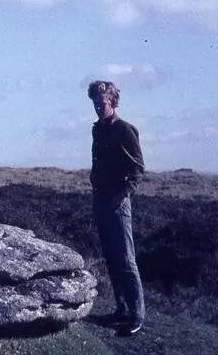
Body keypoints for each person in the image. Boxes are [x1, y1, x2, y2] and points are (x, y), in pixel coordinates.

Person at [88, 80, 145, 336]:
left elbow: (138, 169)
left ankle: (136, 315)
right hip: (100, 200)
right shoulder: (97, 129)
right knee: (111, 259)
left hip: (118, 202)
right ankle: (121, 309)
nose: (99, 108)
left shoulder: (124, 129)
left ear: (112, 101)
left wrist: (122, 196)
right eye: (95, 104)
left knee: (126, 260)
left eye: (102, 103)